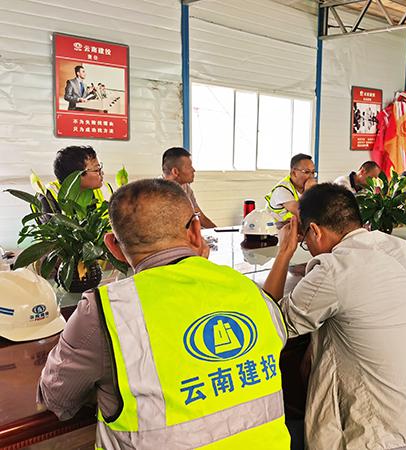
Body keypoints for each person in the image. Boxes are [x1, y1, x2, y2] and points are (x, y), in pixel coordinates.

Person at [38, 179, 290, 449]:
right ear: (196, 231)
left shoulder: (105, 309)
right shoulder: (250, 290)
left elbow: (57, 399)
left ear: (112, 246)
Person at [263, 183, 406, 449]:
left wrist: (284, 252)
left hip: (402, 441)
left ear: (314, 231)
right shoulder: (400, 249)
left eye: (305, 241)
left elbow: (270, 323)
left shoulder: (335, 268)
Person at [162, 146, 217, 228]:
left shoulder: (186, 188)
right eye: (189, 167)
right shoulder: (156, 192)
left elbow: (200, 217)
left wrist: (218, 231)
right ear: (175, 171)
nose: (193, 170)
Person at [41, 145, 106, 214]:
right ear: (76, 176)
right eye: (96, 170)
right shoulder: (48, 196)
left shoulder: (105, 190)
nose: (102, 173)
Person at [265, 153, 316, 221]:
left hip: (292, 226)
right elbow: (302, 215)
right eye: (307, 172)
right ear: (294, 173)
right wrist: (309, 192)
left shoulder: (305, 187)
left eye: (313, 172)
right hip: (274, 227)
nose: (311, 177)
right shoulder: (282, 190)